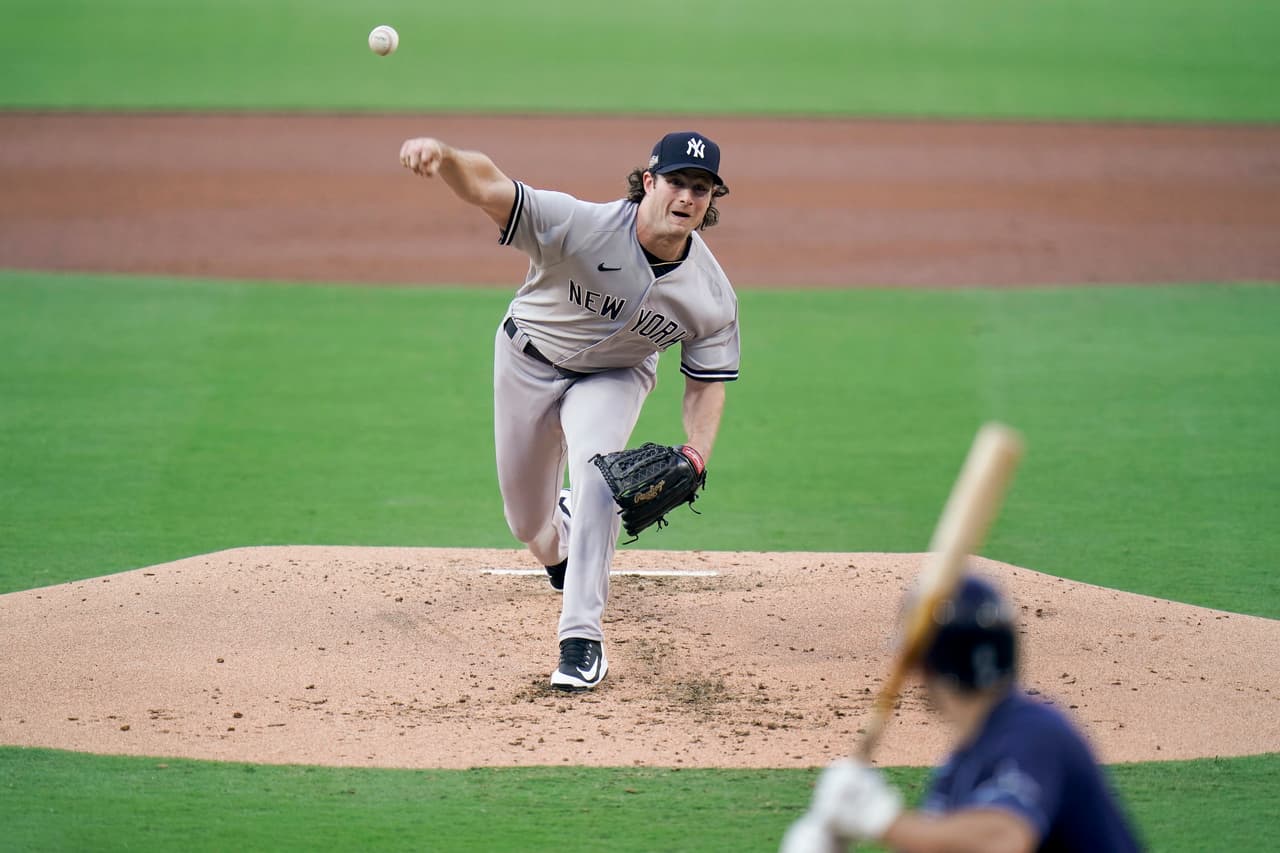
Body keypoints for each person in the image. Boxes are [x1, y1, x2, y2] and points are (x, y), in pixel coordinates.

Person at [399, 130, 740, 691]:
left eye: (701, 188)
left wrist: (696, 454)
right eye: (677, 181)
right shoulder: (580, 224)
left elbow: (707, 383)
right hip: (526, 359)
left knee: (598, 476)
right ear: (649, 182)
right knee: (527, 523)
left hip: (615, 376)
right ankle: (559, 534)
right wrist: (447, 158)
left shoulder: (711, 295)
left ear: (710, 200)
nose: (687, 197)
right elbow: (491, 187)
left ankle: (582, 639)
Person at [782, 575, 1142, 852]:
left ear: (926, 668)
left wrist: (882, 821)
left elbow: (1005, 838)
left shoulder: (1037, 733)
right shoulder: (961, 769)